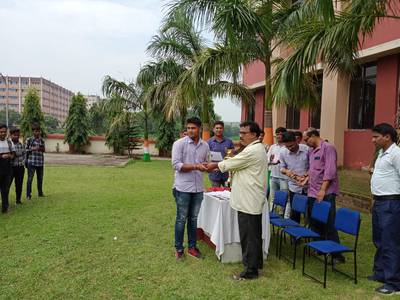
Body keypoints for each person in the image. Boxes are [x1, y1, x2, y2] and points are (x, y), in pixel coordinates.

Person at [206, 121, 268, 280]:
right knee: (253, 235)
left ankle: (250, 271)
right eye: (239, 133)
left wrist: (212, 165)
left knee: (249, 237)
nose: (240, 136)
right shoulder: (253, 148)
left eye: (244, 133)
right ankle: (256, 263)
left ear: (254, 134)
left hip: (249, 201)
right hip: (248, 199)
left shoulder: (253, 150)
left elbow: (231, 163)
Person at [303, 128, 344, 263]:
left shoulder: (328, 148)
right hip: (312, 191)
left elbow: (330, 171)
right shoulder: (311, 151)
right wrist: (306, 178)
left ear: (314, 136)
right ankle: (320, 247)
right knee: (314, 221)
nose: (305, 142)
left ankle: (337, 254)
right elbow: (312, 168)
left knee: (329, 223)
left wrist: (322, 190)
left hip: (325, 193)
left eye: (306, 139)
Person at [171, 117, 210, 261]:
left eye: (193, 128)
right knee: (181, 219)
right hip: (182, 188)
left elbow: (204, 163)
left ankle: (192, 248)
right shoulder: (179, 144)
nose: (190, 130)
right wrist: (195, 166)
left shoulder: (205, 145)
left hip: (198, 188)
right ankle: (179, 249)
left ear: (199, 128)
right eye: (188, 128)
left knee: (193, 219)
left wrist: (207, 167)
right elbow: (176, 165)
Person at [369, 123, 400, 295]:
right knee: (379, 240)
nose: (373, 140)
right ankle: (380, 273)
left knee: (390, 243)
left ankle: (394, 283)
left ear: (387, 136)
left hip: (391, 203)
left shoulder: (396, 154)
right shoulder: (382, 153)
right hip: (380, 202)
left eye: (376, 137)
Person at [279, 131, 309, 223]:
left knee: (309, 213)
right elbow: (282, 168)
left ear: (296, 140)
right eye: (287, 146)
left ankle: (309, 233)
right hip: (294, 187)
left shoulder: (307, 150)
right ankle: (296, 236)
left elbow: (314, 166)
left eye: (292, 145)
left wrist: (306, 176)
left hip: (308, 187)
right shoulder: (283, 153)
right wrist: (288, 172)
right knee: (295, 213)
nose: (290, 148)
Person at [207, 121, 234, 187]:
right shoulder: (209, 142)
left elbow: (231, 156)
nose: (219, 130)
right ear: (213, 129)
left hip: (226, 172)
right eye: (217, 128)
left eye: (220, 128)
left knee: (227, 193)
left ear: (223, 129)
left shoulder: (229, 142)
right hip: (214, 173)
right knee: (216, 194)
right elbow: (206, 157)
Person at [267, 127, 288, 208]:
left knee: (285, 199)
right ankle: (271, 216)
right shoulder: (273, 147)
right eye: (277, 134)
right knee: (272, 198)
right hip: (273, 176)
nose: (279, 136)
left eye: (281, 134)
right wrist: (270, 160)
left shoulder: (287, 147)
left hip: (284, 177)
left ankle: (284, 217)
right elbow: (267, 159)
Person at [25, 124, 46, 200]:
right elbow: (25, 150)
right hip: (32, 162)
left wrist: (41, 148)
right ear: (33, 132)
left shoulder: (42, 140)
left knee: (40, 179)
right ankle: (28, 195)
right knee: (30, 179)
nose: (37, 133)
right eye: (36, 131)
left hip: (40, 162)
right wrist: (33, 148)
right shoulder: (29, 140)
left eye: (38, 131)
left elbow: (44, 150)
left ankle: (40, 193)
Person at [0, 124, 15, 213]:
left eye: (4, 132)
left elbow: (13, 155)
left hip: (7, 169)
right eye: (1, 132)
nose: (3, 133)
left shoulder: (9, 142)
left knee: (5, 189)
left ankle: (5, 208)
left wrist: (8, 155)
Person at [9, 127, 25, 205]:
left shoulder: (20, 144)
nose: (17, 137)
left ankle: (18, 200)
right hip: (11, 167)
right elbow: (12, 155)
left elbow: (24, 154)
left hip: (20, 167)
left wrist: (23, 162)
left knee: (19, 184)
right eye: (15, 135)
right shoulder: (8, 144)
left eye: (18, 135)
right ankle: (5, 200)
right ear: (11, 135)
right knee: (7, 184)